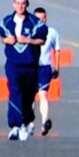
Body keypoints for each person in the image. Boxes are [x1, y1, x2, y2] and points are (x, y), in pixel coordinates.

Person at [0, 0, 49, 141]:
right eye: (18, 3)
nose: (20, 6)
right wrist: (7, 40)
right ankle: (15, 125)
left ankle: (26, 122)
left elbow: (42, 40)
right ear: (13, 4)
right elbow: (2, 37)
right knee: (15, 90)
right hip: (13, 63)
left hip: (30, 64)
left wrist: (28, 40)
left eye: (23, 3)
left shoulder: (34, 22)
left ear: (27, 5)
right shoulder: (7, 21)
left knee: (28, 95)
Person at [34, 7, 61, 136]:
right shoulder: (30, 31)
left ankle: (44, 122)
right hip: (30, 66)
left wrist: (57, 67)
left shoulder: (52, 32)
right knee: (30, 97)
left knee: (43, 94)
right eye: (38, 18)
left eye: (43, 18)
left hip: (44, 67)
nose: (41, 20)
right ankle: (30, 123)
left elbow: (57, 50)